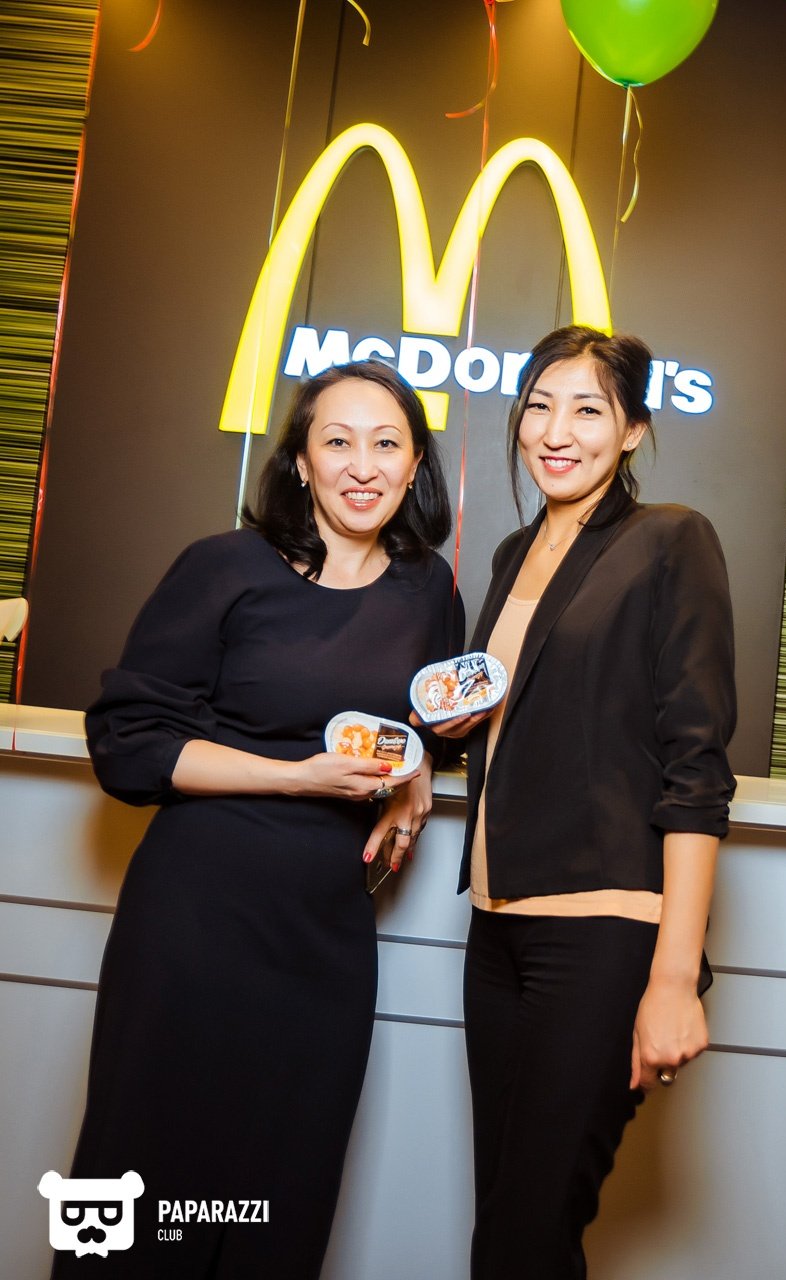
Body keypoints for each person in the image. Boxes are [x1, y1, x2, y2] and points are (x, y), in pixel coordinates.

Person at [53, 360, 462, 1279]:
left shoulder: (428, 589)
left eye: (387, 443)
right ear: (301, 463)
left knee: (284, 1185)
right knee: (145, 1175)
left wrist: (419, 772)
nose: (363, 465)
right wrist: (297, 778)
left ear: (414, 467)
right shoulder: (223, 566)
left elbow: (425, 721)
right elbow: (128, 745)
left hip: (324, 931)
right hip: (195, 917)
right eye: (337, 441)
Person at [424, 325, 736, 1280]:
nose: (555, 432)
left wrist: (672, 978)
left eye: (588, 410)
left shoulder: (668, 540)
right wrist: (447, 736)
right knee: (509, 1228)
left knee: (526, 1236)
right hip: (495, 925)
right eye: (539, 407)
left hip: (602, 931)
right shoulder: (514, 552)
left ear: (632, 429)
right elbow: (539, 716)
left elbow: (695, 768)